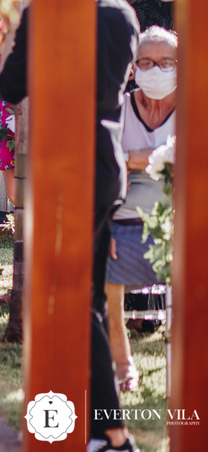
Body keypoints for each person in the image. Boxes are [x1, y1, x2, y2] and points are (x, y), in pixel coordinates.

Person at [0, 0, 140, 452]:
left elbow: (11, 84)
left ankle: (114, 434)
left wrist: (17, 35)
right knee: (91, 300)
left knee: (75, 300)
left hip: (68, 165)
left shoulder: (45, 11)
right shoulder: (123, 15)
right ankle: (102, 431)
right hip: (107, 164)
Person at [106, 26, 176, 392]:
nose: (156, 69)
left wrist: (132, 160)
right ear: (133, 67)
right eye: (146, 62)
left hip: (177, 228)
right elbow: (101, 165)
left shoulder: (194, 109)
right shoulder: (119, 108)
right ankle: (123, 365)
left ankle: (185, 360)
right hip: (122, 223)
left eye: (166, 62)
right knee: (101, 263)